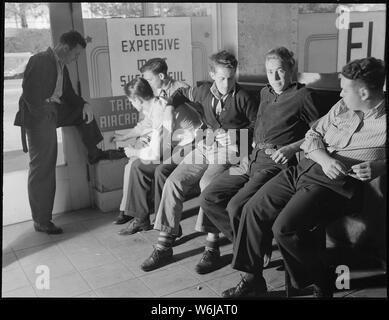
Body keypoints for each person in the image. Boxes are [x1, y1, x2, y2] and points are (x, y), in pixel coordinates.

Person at [223, 57, 386, 298]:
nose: (340, 93)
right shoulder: (342, 107)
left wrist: (381, 166)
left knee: (284, 228)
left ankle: (321, 283)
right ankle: (252, 279)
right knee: (252, 209)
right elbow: (312, 135)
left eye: (345, 88)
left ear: (363, 92)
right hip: (306, 167)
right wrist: (324, 159)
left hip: (336, 184)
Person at [198, 47, 321, 274]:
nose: (274, 78)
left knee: (236, 206)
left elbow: (320, 134)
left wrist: (293, 148)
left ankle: (251, 256)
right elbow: (257, 128)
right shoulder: (265, 92)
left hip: (275, 164)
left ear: (291, 69)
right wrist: (246, 154)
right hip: (250, 160)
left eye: (280, 71)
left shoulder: (304, 96)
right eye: (269, 71)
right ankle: (254, 244)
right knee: (209, 196)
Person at [140, 50, 259, 272]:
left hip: (231, 148)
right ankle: (164, 245)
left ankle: (211, 248)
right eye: (222, 78)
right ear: (212, 74)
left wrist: (236, 136)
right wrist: (169, 107)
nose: (227, 83)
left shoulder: (243, 97)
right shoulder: (203, 91)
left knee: (208, 186)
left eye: (231, 77)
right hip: (206, 143)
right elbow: (179, 95)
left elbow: (257, 126)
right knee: (173, 181)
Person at [14, 30, 107, 234]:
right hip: (38, 115)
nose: (76, 59)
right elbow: (29, 95)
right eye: (75, 55)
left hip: (54, 110)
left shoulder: (61, 65)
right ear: (64, 48)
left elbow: (69, 95)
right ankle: (41, 220)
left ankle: (95, 152)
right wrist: (44, 115)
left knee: (84, 113)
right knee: (43, 166)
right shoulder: (39, 60)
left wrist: (84, 104)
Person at [112, 58, 189, 225]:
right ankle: (137, 214)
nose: (146, 83)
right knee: (134, 162)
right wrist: (130, 137)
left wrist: (141, 147)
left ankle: (150, 217)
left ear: (161, 75)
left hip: (183, 143)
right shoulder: (157, 95)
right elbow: (150, 124)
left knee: (140, 163)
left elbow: (170, 127)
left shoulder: (180, 90)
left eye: (149, 79)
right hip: (168, 140)